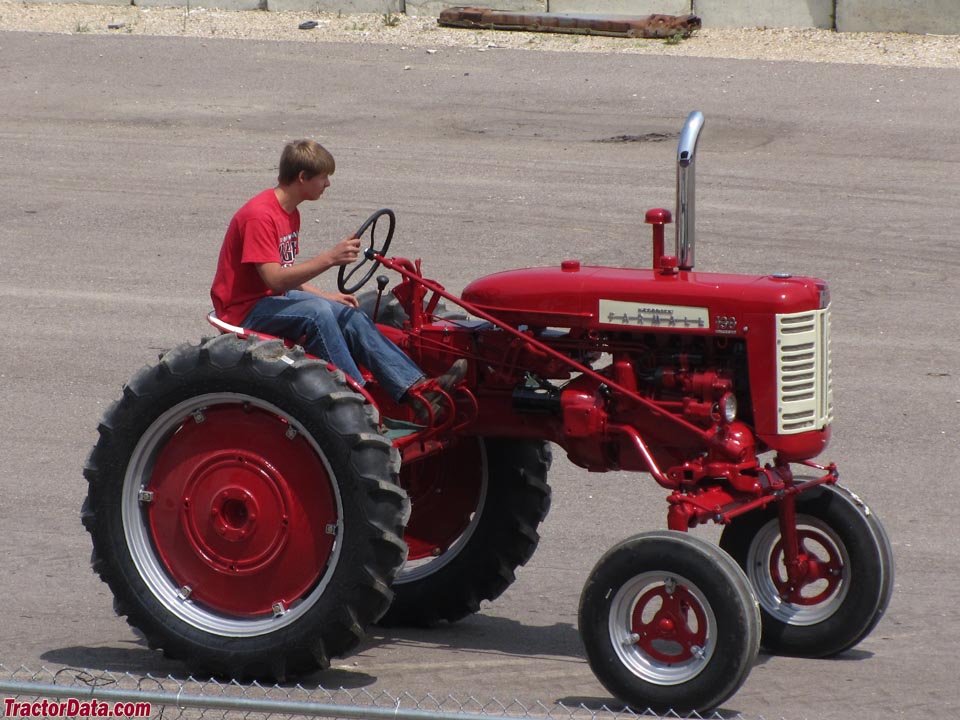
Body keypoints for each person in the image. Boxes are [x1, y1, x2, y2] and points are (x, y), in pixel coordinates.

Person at [210, 139, 464, 415]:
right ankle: (360, 405)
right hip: (244, 311)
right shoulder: (260, 216)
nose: (327, 184)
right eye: (323, 178)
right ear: (302, 177)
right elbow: (274, 280)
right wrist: (329, 259)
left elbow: (286, 272)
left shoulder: (290, 213)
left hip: (271, 300)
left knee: (348, 314)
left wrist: (327, 296)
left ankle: (418, 392)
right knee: (317, 314)